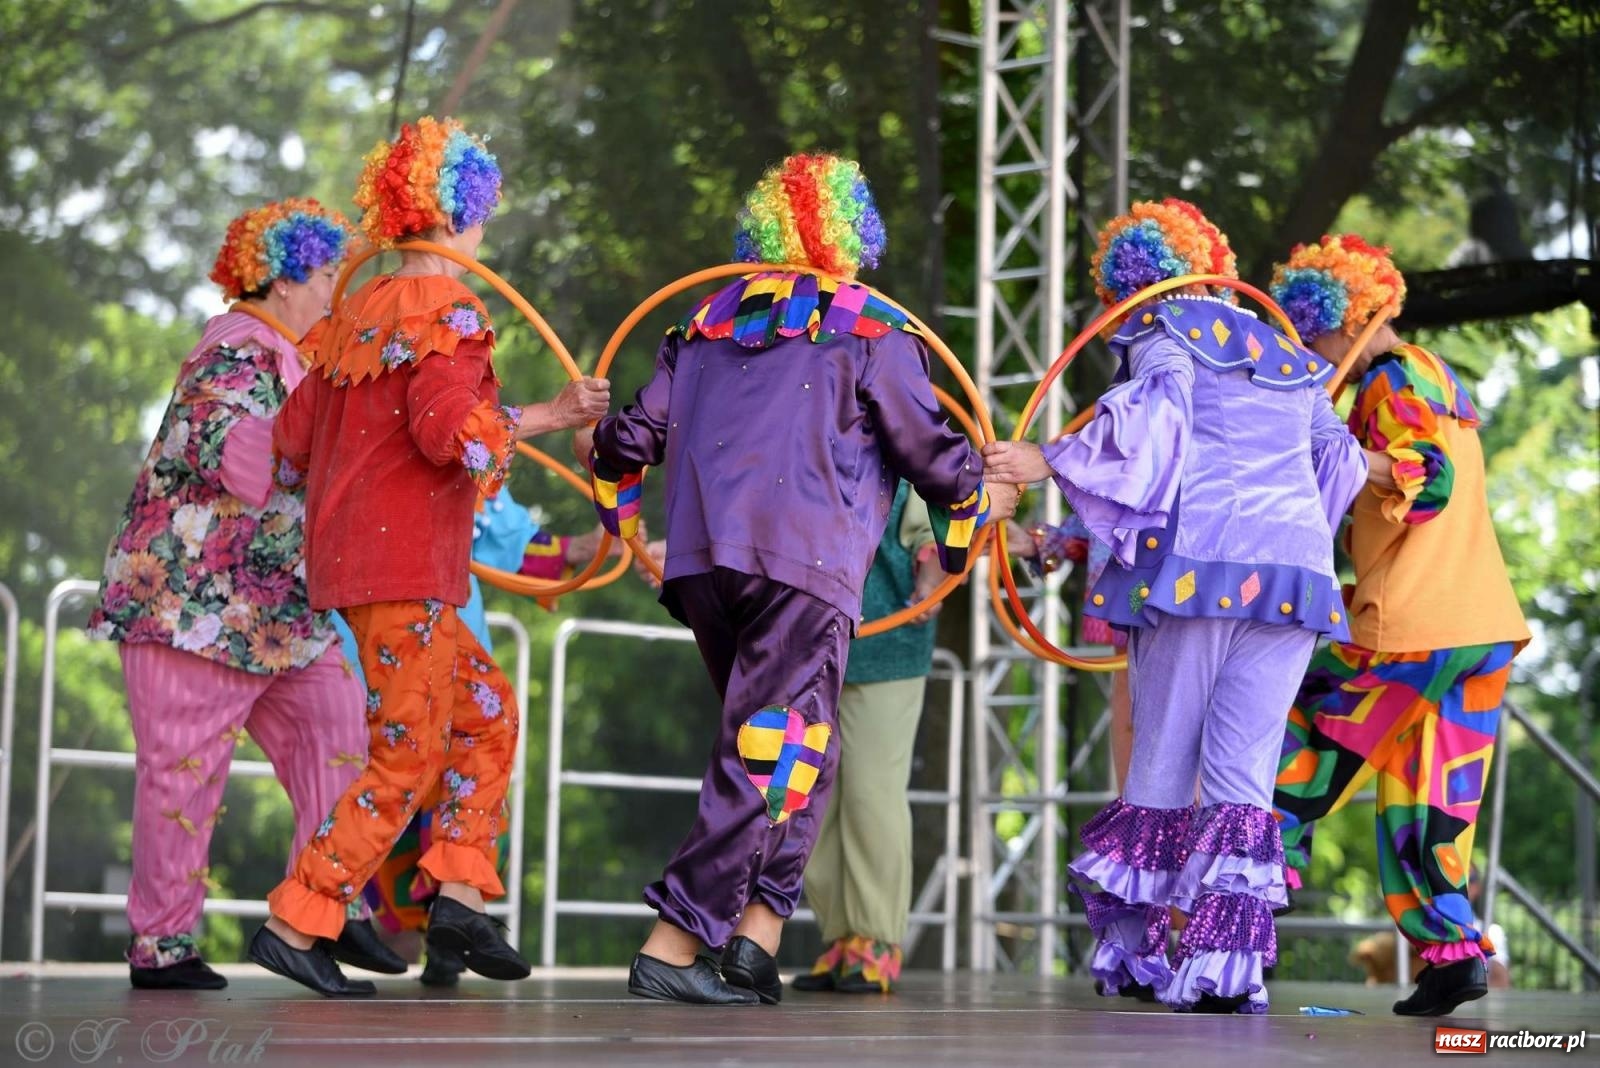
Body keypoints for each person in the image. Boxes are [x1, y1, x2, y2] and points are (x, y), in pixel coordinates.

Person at [586, 152, 1019, 1005]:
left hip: (705, 567)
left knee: (799, 756)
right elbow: (933, 454)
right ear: (853, 239)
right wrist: (974, 506)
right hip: (803, 569)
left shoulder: (707, 324)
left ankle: (758, 934)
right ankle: (672, 943)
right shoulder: (871, 331)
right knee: (766, 756)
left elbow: (623, 441)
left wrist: (621, 517)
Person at [247, 117, 611, 996]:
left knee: (486, 714)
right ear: (458, 216)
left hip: (368, 572)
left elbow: (290, 438)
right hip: (406, 571)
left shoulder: (348, 317)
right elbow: (451, 433)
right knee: (407, 756)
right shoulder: (451, 310)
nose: (484, 230)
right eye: (481, 212)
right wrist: (553, 417)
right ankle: (300, 916)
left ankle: (455, 898)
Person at [982, 198, 1367, 1014]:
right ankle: (1226, 970)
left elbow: (1154, 423)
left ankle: (1148, 955)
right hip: (1296, 579)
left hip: (1199, 573)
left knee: (1159, 758)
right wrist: (1294, 533)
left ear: (1131, 285)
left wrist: (1043, 459)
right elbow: (1342, 462)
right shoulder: (1287, 350)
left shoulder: (1165, 335)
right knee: (1242, 778)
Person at [87, 199, 408, 990]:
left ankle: (324, 912)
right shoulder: (238, 345)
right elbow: (239, 461)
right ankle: (160, 950)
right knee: (183, 779)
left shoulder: (294, 355)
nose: (338, 289)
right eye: (330, 273)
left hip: (277, 616)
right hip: (192, 609)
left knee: (341, 738)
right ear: (285, 280)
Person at [1268, 234, 1529, 1016]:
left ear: (1342, 319)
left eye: (1311, 335)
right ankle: (1451, 959)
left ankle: (1249, 894)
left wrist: (1336, 448)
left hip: (1412, 622)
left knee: (1295, 726)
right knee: (1427, 802)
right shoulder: (1434, 372)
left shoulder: (1386, 378)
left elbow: (1428, 477)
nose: (1310, 352)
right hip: (1478, 629)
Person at [358, 488, 620, 987]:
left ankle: (447, 922)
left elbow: (506, 535)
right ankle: (348, 919)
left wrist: (599, 542)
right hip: (365, 647)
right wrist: (552, 415)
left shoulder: (468, 460)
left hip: (451, 650)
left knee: (466, 772)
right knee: (377, 788)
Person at [791, 481, 942, 995]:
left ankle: (875, 939)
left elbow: (936, 534)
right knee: (811, 796)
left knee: (870, 793)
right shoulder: (798, 441)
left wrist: (929, 584)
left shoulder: (908, 444)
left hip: (887, 645)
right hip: (808, 649)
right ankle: (840, 936)